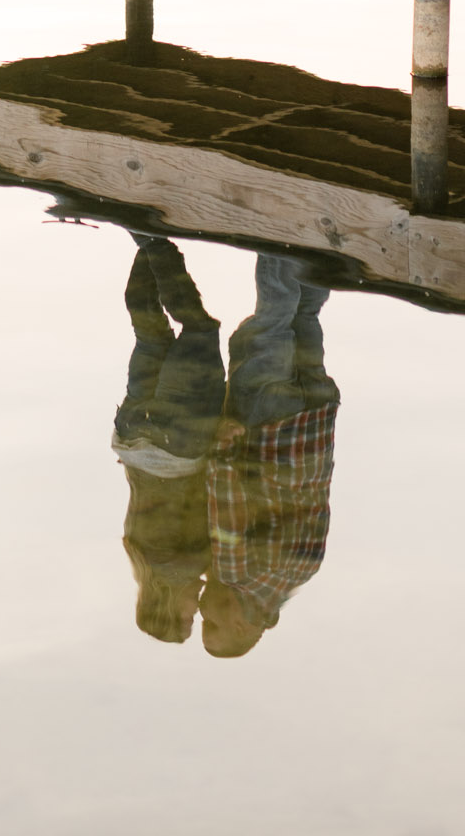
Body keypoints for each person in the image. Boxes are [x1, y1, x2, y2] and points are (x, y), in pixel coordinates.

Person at [200, 254, 341, 659]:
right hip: (264, 426)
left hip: (314, 421)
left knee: (306, 315)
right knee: (273, 317)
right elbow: (229, 505)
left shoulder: (301, 574)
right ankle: (280, 225)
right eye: (211, 623)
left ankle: (321, 233)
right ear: (242, 625)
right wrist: (220, 446)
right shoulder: (236, 574)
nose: (200, 611)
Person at [111, 238, 225, 644]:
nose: (195, 611)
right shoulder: (138, 555)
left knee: (199, 330)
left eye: (188, 618)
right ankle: (143, 233)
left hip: (180, 443)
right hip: (131, 437)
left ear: (166, 606)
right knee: (150, 334)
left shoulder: (180, 566)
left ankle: (155, 241)